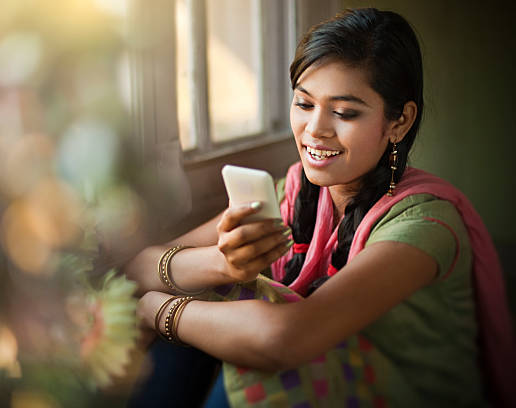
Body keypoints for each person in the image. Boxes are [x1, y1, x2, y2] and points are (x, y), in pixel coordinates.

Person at [126, 8, 515, 407]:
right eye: (304, 104)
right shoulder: (291, 194)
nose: (316, 129)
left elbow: (284, 339)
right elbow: (140, 268)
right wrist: (223, 264)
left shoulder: (423, 225)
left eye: (345, 112)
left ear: (399, 122)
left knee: (236, 337)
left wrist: (157, 311)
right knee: (210, 311)